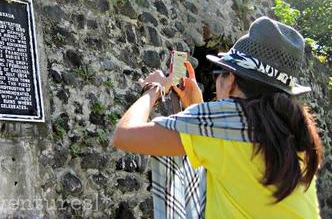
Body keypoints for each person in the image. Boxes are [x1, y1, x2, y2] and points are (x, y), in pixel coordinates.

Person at [111, 16, 323, 218]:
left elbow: (124, 135)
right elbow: (228, 167)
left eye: (219, 72)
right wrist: (196, 106)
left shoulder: (228, 118)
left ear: (231, 79)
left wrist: (155, 89)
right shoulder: (293, 130)